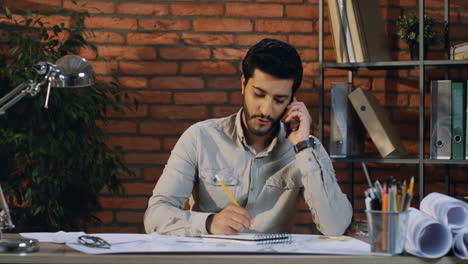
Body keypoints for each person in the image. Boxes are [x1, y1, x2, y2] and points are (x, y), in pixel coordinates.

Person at [144, 38, 352, 236]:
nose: (266, 109)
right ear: (243, 84)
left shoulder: (306, 147)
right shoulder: (199, 138)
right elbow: (155, 217)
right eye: (259, 94)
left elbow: (335, 227)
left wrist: (304, 148)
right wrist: (209, 223)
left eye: (279, 99)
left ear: (292, 101)